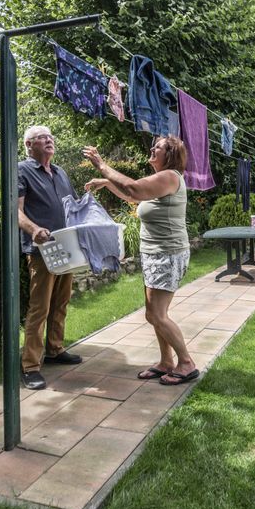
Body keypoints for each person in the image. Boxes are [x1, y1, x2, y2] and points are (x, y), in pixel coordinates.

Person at [83, 137, 199, 386]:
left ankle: (186, 362)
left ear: (169, 154)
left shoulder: (170, 176)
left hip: (167, 254)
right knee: (154, 314)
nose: (151, 149)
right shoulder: (161, 181)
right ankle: (166, 361)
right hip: (155, 255)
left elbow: (133, 188)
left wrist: (102, 166)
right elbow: (132, 197)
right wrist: (107, 182)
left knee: (157, 314)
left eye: (156, 147)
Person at [18, 125, 83, 390]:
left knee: (62, 301)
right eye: (42, 138)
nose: (49, 140)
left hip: (66, 246)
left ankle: (55, 350)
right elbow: (16, 210)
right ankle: (30, 366)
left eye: (51, 137)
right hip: (41, 251)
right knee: (40, 308)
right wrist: (34, 230)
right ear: (29, 145)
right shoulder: (22, 170)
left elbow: (73, 206)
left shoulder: (60, 172)